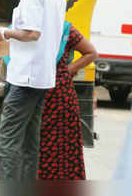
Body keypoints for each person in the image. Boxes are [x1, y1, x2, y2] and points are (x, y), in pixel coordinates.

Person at [0, 0, 66, 180]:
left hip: (26, 78)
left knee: (7, 141)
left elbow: (32, 33)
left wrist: (5, 32)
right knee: (29, 143)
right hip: (42, 77)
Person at [38, 23, 97, 180]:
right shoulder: (26, 26)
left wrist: (68, 70)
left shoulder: (64, 28)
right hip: (32, 93)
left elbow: (91, 53)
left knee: (61, 149)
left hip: (59, 98)